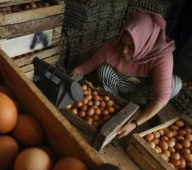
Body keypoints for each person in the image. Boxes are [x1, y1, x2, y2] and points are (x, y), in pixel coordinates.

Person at [70, 9, 182, 138]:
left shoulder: (161, 56)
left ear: (145, 44)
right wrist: (68, 78)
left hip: (142, 90)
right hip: (119, 88)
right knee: (104, 70)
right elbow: (84, 68)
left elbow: (161, 97)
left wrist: (135, 123)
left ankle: (143, 107)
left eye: (131, 47)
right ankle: (118, 105)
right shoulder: (112, 47)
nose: (123, 51)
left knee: (175, 84)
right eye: (122, 43)